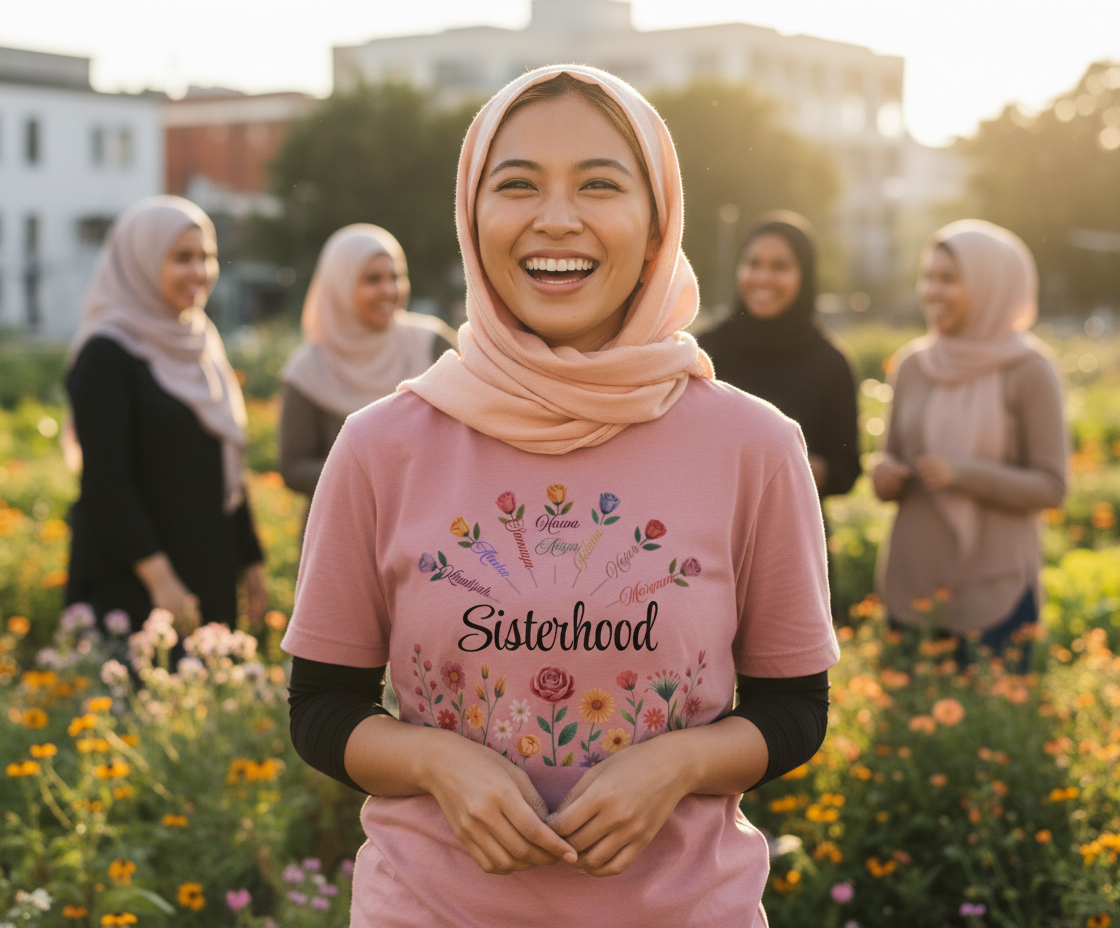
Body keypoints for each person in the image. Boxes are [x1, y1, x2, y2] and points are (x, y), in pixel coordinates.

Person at [282, 65, 839, 928]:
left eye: (600, 185)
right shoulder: (381, 446)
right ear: (472, 216)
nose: (555, 218)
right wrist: (436, 762)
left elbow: (795, 708)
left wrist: (680, 764)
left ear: (658, 224)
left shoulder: (754, 446)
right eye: (516, 185)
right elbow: (321, 707)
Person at [65, 196, 266, 637]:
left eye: (207, 256)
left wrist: (250, 560)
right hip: (137, 584)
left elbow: (226, 453)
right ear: (140, 262)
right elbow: (106, 483)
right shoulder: (105, 354)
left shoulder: (199, 342)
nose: (200, 272)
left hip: (206, 564)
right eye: (182, 258)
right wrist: (161, 581)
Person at [871, 220, 1067, 667]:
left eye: (949, 279)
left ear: (990, 285)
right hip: (912, 590)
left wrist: (964, 473)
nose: (932, 291)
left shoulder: (1029, 371)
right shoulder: (912, 365)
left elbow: (1053, 486)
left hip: (994, 595)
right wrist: (884, 473)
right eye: (928, 277)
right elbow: (892, 465)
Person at [278, 224, 456, 506]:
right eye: (373, 279)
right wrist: (377, 478)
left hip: (432, 523)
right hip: (343, 529)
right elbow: (293, 467)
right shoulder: (309, 370)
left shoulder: (431, 345)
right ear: (340, 284)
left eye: (396, 276)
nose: (389, 290)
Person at [699, 212, 861, 499]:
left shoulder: (830, 364)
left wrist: (791, 466)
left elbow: (846, 469)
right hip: (710, 527)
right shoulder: (705, 352)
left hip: (793, 529)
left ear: (805, 275)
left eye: (779, 266)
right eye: (753, 264)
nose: (763, 277)